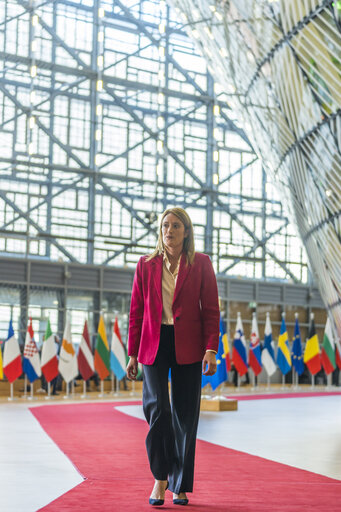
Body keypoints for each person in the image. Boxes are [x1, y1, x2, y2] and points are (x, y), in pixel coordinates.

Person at [126, 207, 220, 506]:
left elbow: (211, 310)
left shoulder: (201, 263)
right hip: (154, 343)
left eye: (176, 225)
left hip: (189, 344)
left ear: (186, 231)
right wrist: (131, 353)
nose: (169, 230)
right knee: (157, 410)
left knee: (185, 414)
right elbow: (136, 312)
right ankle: (160, 477)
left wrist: (211, 348)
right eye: (165, 225)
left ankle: (180, 484)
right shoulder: (145, 265)